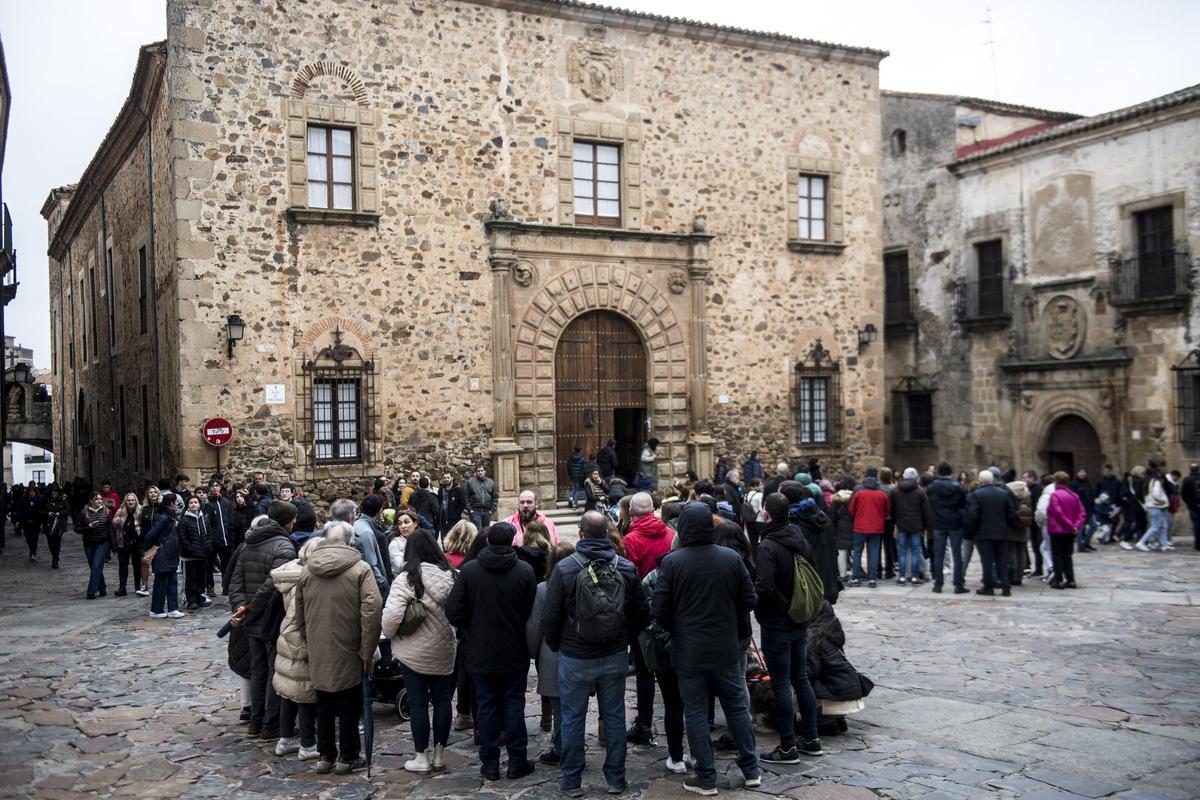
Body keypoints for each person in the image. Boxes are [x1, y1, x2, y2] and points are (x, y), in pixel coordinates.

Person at [653, 503, 760, 796]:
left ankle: (707, 776)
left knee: (696, 712)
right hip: (725, 645)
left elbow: (660, 609)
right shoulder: (730, 558)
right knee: (736, 706)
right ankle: (751, 769)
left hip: (689, 650)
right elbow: (750, 599)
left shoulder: (672, 563)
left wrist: (678, 625)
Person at [542, 511, 647, 796]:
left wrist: (558, 645)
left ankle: (571, 781)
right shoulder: (625, 567)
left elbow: (550, 618)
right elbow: (640, 613)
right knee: (614, 717)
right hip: (613, 654)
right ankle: (615, 779)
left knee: (572, 718)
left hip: (575, 655)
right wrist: (623, 638)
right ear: (607, 534)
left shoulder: (564, 568)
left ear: (581, 534)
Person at [445, 522, 537, 782]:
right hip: (513, 649)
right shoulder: (524, 571)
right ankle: (517, 760)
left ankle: (490, 763)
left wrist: (471, 626)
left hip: (480, 649)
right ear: (512, 543)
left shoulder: (470, 571)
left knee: (485, 706)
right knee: (513, 704)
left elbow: (453, 611)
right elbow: (531, 610)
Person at [293, 521, 382, 774]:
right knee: (349, 705)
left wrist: (308, 639)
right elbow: (372, 610)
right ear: (350, 540)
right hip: (350, 645)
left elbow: (298, 613)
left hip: (319, 644)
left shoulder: (308, 570)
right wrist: (367, 649)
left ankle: (326, 755)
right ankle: (348, 756)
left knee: (323, 702)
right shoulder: (360, 569)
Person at [382, 530, 457, 774]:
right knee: (443, 699)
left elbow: (391, 617)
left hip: (412, 651)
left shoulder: (407, 578)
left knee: (418, 703)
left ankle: (420, 757)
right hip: (444, 648)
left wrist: (390, 634)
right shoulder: (452, 576)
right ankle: (439, 755)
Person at [755, 492, 823, 762]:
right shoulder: (798, 536)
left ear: (766, 514)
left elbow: (765, 588)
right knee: (801, 679)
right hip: (800, 618)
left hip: (776, 623)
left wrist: (754, 603)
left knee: (782, 683)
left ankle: (787, 747)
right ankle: (811, 738)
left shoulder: (768, 546)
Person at [229, 501, 299, 738]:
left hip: (252, 619)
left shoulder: (249, 543)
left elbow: (235, 581)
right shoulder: (285, 547)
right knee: (271, 671)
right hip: (269, 618)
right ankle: (269, 724)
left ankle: (255, 722)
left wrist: (241, 608)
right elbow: (273, 585)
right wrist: (249, 609)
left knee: (257, 670)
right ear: (287, 521)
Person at [268, 537, 321, 762]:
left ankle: (285, 738)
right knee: (305, 693)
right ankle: (308, 744)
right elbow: (299, 617)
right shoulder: (308, 581)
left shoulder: (287, 577)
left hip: (286, 643)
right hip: (300, 642)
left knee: (289, 692)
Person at [527, 541, 575, 766]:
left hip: (552, 650)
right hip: (580, 648)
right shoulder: (583, 581)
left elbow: (536, 624)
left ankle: (562, 747)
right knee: (575, 706)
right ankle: (572, 746)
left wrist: (530, 650)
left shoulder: (543, 589)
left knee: (558, 707)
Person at [964, 471, 1017, 596]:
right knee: (1002, 560)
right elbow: (1011, 513)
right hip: (1001, 531)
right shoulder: (1003, 494)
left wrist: (973, 529)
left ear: (980, 480)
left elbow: (973, 515)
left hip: (984, 532)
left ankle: (988, 587)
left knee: (987, 561)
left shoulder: (976, 494)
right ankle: (1006, 587)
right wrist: (1005, 525)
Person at [143, 493, 185, 618]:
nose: (178, 503)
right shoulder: (164, 518)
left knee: (172, 581)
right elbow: (151, 535)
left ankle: (173, 608)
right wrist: (152, 548)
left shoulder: (171, 517)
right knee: (161, 582)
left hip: (171, 553)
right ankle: (156, 609)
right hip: (162, 553)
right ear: (171, 503)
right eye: (176, 501)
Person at [927, 463, 966, 594]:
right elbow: (963, 504)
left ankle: (938, 583)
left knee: (939, 554)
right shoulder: (958, 487)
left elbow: (930, 503)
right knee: (957, 554)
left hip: (939, 523)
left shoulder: (932, 488)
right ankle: (958, 583)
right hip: (955, 522)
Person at [889, 468, 931, 586]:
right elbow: (925, 511)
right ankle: (914, 576)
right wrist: (925, 525)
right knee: (915, 551)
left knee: (902, 551)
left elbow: (891, 509)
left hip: (901, 523)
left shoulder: (895, 491)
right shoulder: (920, 491)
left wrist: (895, 521)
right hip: (916, 525)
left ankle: (902, 576)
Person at [847, 467, 889, 588]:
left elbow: (851, 509)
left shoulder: (859, 492)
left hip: (860, 526)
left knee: (857, 552)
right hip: (876, 527)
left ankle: (855, 577)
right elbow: (886, 512)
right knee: (874, 552)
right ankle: (872, 578)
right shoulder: (882, 493)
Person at [346, 495, 389, 602]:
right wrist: (383, 582)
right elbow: (371, 563)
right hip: (370, 584)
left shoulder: (357, 524)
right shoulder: (366, 532)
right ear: (379, 511)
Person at [1046, 472, 1086, 588]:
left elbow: (1058, 513)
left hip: (1058, 529)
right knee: (1067, 555)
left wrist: (1070, 525)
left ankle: (1058, 579)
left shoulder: (1055, 495)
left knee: (1057, 555)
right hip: (1070, 531)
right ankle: (1070, 579)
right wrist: (1075, 526)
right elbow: (1082, 512)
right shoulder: (1074, 495)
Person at [76, 492, 115, 600]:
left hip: (103, 542)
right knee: (94, 567)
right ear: (91, 501)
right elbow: (77, 529)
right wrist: (88, 527)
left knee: (96, 565)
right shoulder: (84, 513)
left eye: (100, 499)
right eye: (97, 499)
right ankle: (102, 587)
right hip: (89, 543)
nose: (99, 501)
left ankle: (91, 591)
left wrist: (114, 546)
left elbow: (111, 530)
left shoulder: (107, 512)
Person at [179, 496, 213, 610]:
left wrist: (208, 545)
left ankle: (199, 596)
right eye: (191, 503)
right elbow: (183, 537)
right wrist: (191, 548)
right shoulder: (184, 520)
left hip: (202, 554)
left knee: (201, 577)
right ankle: (191, 599)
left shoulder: (204, 519)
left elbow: (209, 534)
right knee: (190, 578)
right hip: (190, 556)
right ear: (188, 505)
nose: (194, 504)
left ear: (199, 504)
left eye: (196, 502)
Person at [111, 493, 145, 597]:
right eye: (128, 500)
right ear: (125, 501)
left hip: (136, 542)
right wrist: (118, 520)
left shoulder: (140, 510)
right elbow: (114, 522)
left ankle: (137, 586)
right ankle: (122, 588)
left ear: (136, 501)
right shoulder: (121, 510)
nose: (130, 502)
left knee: (137, 565)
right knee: (123, 565)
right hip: (123, 542)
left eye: (132, 500)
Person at [205, 480, 234, 596]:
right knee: (209, 565)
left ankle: (226, 586)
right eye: (212, 486)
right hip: (212, 540)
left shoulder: (226, 502)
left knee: (226, 565)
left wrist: (230, 535)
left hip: (225, 538)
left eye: (216, 486)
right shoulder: (207, 504)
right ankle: (210, 587)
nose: (214, 488)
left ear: (220, 487)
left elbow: (230, 519)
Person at [1136, 466, 1173, 552]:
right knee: (1155, 527)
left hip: (1152, 506)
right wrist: (1164, 500)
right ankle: (1141, 542)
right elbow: (1156, 494)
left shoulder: (1147, 482)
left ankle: (1164, 544)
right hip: (1156, 506)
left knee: (1163, 525)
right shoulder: (1156, 482)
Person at [829, 478, 855, 580]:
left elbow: (833, 514)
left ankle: (843, 574)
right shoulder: (855, 495)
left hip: (841, 525)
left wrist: (833, 527)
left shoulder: (837, 496)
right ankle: (856, 573)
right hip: (854, 525)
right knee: (856, 550)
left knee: (841, 550)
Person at [42, 485, 72, 572]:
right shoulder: (45, 500)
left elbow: (68, 509)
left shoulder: (63, 500)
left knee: (57, 541)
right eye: (53, 494)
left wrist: (60, 513)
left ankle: (55, 559)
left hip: (59, 524)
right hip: (48, 524)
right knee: (50, 541)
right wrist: (48, 513)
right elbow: (40, 510)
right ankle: (54, 555)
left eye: (56, 494)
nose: (54, 495)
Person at [466, 464, 499, 534]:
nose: (480, 472)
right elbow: (466, 497)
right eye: (478, 471)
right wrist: (470, 510)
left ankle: (485, 545)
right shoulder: (470, 482)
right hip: (475, 511)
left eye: (482, 471)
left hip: (487, 512)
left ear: (485, 471)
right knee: (477, 532)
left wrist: (492, 510)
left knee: (486, 532)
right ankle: (478, 545)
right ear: (476, 472)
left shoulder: (491, 482)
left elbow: (495, 496)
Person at [1071, 468, 1097, 553]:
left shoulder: (1087, 482)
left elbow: (1091, 495)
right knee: (1080, 528)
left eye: (1083, 472)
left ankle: (1086, 542)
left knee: (1094, 525)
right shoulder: (1074, 483)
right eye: (1080, 472)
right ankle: (1080, 545)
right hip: (1080, 509)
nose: (1082, 474)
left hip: (1089, 508)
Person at [437, 472, 467, 541]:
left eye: (448, 477)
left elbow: (462, 504)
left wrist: (455, 514)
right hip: (443, 520)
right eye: (444, 478)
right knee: (444, 540)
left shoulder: (459, 490)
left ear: (452, 478)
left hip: (454, 520)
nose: (446, 479)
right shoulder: (441, 490)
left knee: (454, 540)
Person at [1181, 464, 1200, 551]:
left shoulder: (1187, 479)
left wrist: (1188, 503)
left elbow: (1183, 493)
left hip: (1193, 505)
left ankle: (1197, 544)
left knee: (1196, 524)